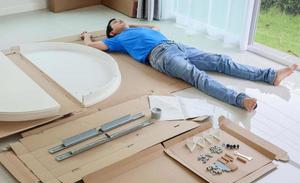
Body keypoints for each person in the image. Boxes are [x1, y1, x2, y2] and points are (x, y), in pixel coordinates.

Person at [80, 18, 298, 112]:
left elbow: (154, 28)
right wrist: (88, 37)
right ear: (111, 32)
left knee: (221, 61)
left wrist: (131, 25)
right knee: (198, 77)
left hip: (177, 46)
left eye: (118, 19)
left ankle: (271, 75)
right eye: (114, 23)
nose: (118, 21)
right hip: (160, 56)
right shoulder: (117, 40)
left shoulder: (136, 29)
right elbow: (96, 46)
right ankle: (240, 100)